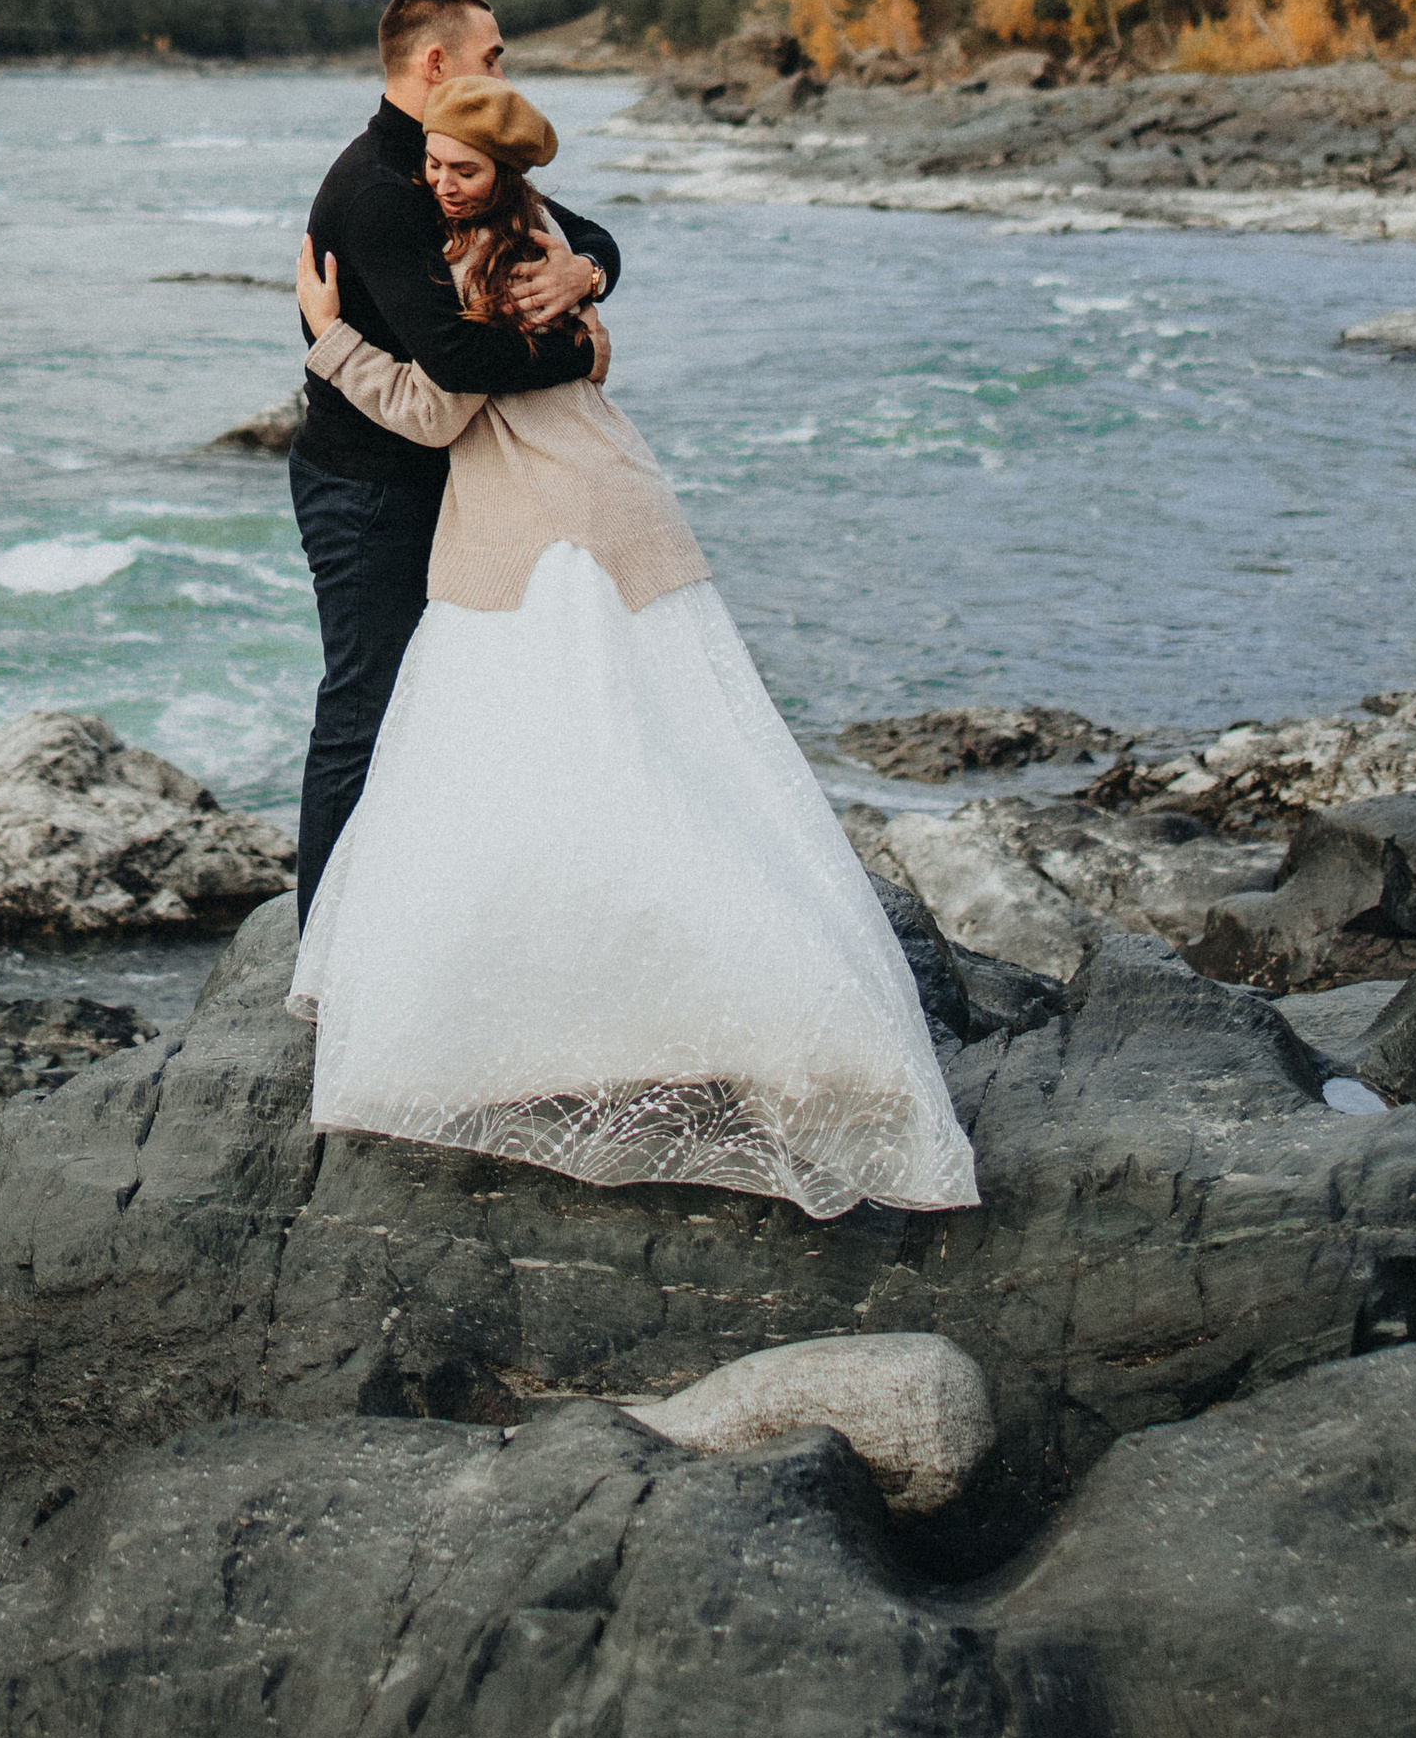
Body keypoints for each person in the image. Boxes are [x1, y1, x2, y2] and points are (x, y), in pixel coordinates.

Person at [287, 73, 977, 1221]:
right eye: (433, 164)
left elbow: (436, 407)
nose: (435, 184)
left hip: (541, 523)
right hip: (609, 500)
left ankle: (581, 999)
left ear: (502, 180)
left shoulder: (489, 260)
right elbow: (588, 332)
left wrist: (331, 339)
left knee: (554, 750)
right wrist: (590, 290)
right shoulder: (548, 237)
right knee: (647, 750)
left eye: (460, 170)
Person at [289, 0, 622, 921]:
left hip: (441, 482)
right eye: (495, 54)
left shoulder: (460, 157)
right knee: (364, 716)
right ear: (436, 65)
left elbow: (580, 230)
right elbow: (461, 357)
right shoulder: (378, 190)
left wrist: (586, 272)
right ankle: (327, 948)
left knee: (446, 713)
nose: (503, 71)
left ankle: (419, 915)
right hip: (369, 492)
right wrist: (582, 347)